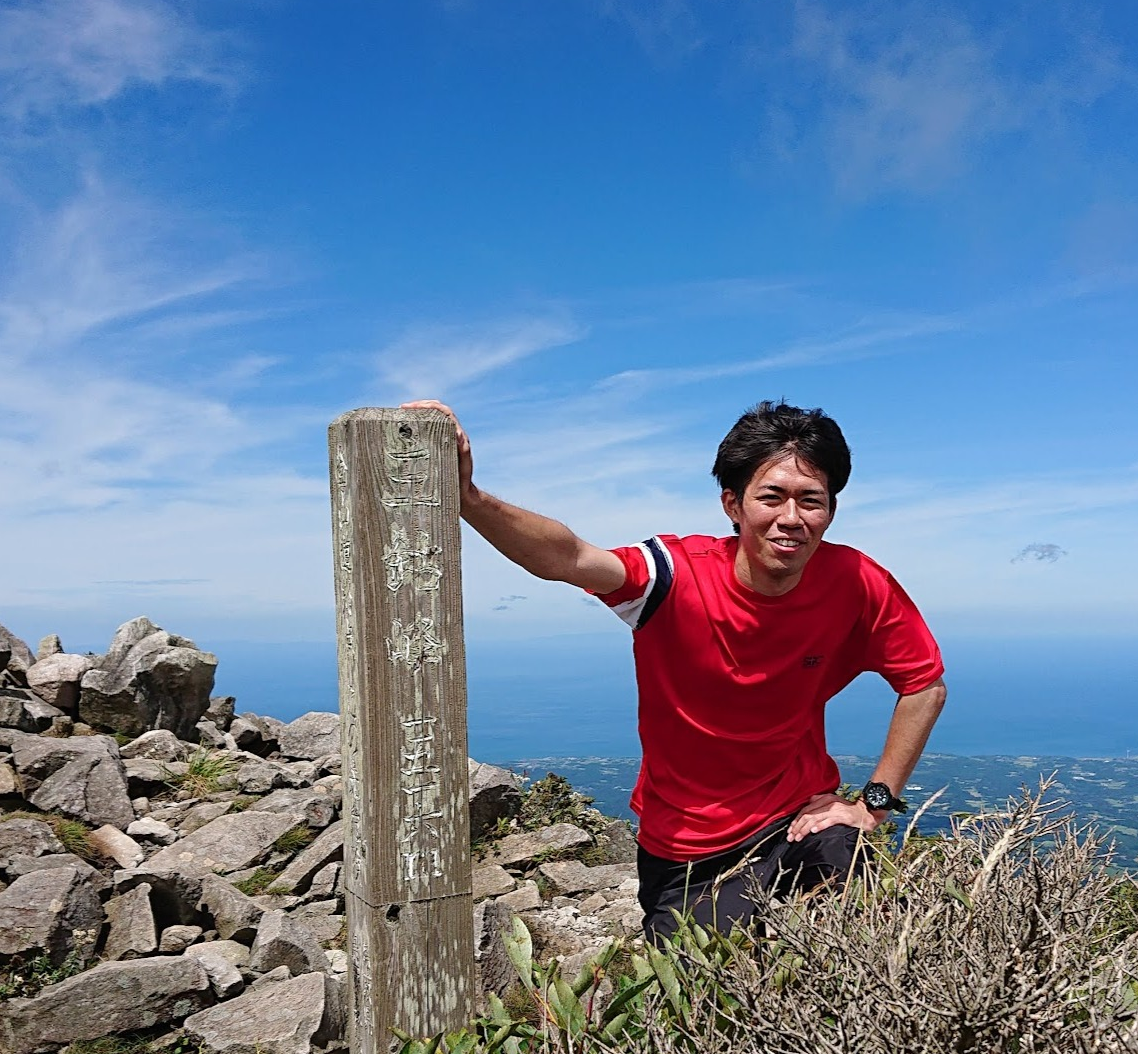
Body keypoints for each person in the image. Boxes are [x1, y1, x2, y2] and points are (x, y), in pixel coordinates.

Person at [402, 398, 947, 942]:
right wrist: (467, 499)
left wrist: (873, 804)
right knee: (700, 1004)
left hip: (802, 822)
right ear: (732, 504)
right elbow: (567, 557)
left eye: (812, 501)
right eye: (771, 497)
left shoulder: (854, 580)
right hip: (687, 848)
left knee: (857, 965)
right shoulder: (673, 576)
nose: (792, 518)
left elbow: (923, 685)